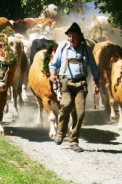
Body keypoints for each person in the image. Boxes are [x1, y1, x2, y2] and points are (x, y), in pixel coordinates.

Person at [49, 22, 100, 152]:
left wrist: (97, 82)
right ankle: (60, 133)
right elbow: (54, 65)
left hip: (81, 84)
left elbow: (94, 67)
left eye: (73, 36)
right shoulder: (63, 48)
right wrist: (53, 74)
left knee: (80, 113)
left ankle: (73, 141)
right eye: (69, 36)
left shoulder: (86, 50)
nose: (70, 39)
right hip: (66, 82)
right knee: (66, 105)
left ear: (79, 36)